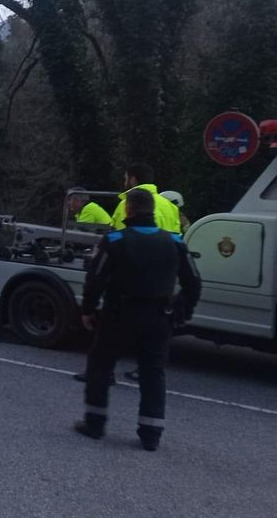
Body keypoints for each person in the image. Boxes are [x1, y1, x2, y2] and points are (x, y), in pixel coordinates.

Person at [74, 189, 201, 451]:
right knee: (152, 372)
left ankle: (95, 424)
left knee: (100, 365)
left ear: (129, 210)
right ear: (153, 211)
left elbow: (95, 278)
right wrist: (182, 310)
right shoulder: (175, 242)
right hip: (159, 318)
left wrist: (87, 310)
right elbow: (194, 282)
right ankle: (151, 434)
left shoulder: (116, 240)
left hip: (119, 315)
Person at [111, 163, 181, 234]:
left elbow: (121, 236)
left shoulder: (127, 204)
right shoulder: (171, 206)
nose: (125, 183)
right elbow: (176, 237)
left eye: (126, 179)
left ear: (133, 180)